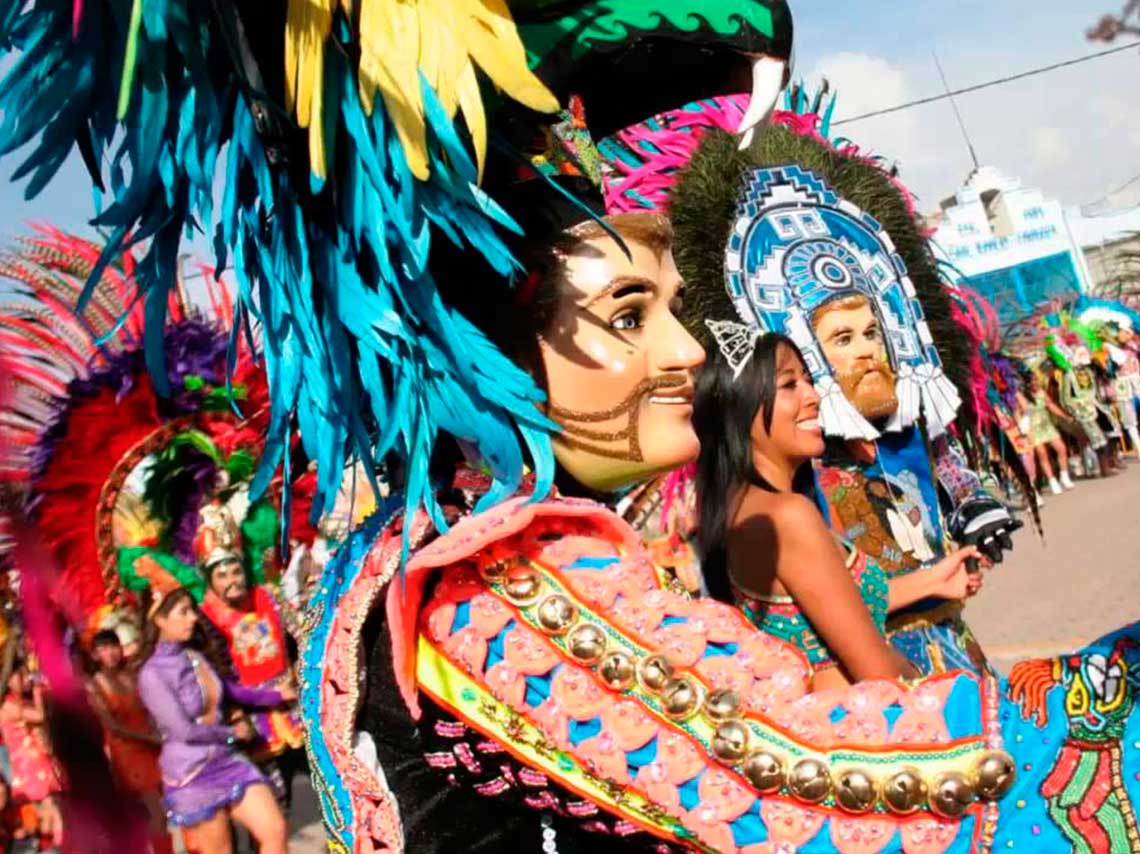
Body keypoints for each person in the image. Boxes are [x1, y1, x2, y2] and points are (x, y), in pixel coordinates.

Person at [8, 3, 1140, 854]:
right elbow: (853, 776)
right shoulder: (487, 579)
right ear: (488, 351)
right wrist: (1108, 692)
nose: (693, 352)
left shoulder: (408, 555)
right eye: (629, 313)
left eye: (676, 310)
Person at [694, 331, 983, 687]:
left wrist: (931, 581)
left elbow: (821, 610)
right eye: (789, 385)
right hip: (870, 723)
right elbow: (879, 672)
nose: (813, 396)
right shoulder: (786, 515)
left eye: (808, 380)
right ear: (738, 409)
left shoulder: (740, 506)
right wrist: (947, 682)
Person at [138, 587, 291, 854]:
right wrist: (231, 733)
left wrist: (277, 694)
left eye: (191, 610)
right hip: (193, 772)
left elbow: (231, 691)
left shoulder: (194, 656)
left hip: (228, 761)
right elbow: (182, 731)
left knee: (274, 830)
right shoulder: (152, 675)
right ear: (159, 619)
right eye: (183, 612)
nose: (193, 618)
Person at [195, 501, 306, 811]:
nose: (232, 580)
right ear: (210, 581)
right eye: (222, 575)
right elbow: (213, 677)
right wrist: (235, 716)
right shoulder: (206, 618)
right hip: (250, 721)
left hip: (294, 709)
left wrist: (299, 670)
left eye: (235, 570)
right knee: (272, 807)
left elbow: (300, 635)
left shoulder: (268, 596)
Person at [86, 629, 172, 854]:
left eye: (113, 646)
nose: (111, 653)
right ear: (95, 656)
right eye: (103, 649)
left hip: (153, 747)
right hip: (129, 755)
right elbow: (114, 727)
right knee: (156, 813)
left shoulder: (131, 674)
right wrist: (150, 738)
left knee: (165, 810)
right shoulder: (96, 684)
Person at [0, 665, 62, 851]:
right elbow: (39, 715)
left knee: (52, 810)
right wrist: (36, 691)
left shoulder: (20, 700)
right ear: (8, 680)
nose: (26, 678)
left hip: (39, 760)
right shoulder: (6, 704)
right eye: (20, 674)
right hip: (26, 765)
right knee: (44, 814)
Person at [1017, 370, 1074, 494]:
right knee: (1043, 455)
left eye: (1037, 380)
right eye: (1033, 381)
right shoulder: (1022, 397)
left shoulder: (1042, 393)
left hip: (1047, 426)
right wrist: (1024, 432)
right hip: (1034, 430)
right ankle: (1052, 480)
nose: (1036, 383)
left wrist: (1065, 416)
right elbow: (1020, 415)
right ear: (1027, 384)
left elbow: (1051, 406)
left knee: (1062, 448)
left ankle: (1064, 475)